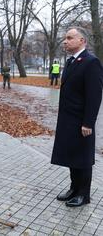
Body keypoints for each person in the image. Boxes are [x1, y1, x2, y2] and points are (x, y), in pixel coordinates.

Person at [51, 27, 103, 207]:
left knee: (83, 157)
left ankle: (84, 194)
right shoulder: (71, 61)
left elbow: (94, 96)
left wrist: (88, 122)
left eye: (70, 38)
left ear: (82, 41)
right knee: (72, 155)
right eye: (65, 38)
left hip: (82, 121)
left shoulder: (91, 62)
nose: (65, 41)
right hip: (68, 119)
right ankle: (74, 188)